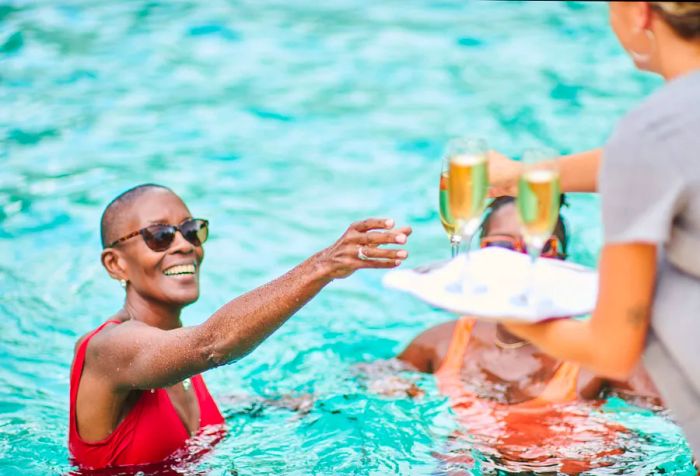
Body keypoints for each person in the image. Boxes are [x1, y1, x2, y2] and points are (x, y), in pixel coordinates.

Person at [69, 183, 412, 470]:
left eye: (192, 230)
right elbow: (212, 345)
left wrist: (347, 390)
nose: (184, 245)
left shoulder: (173, 351)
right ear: (115, 264)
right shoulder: (108, 350)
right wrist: (324, 265)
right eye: (159, 236)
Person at [485, 1, 700, 457]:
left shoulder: (653, 130)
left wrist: (505, 307)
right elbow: (656, 161)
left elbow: (612, 349)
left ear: (640, 13)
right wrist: (523, 175)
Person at [397, 196, 660, 473]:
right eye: (501, 246)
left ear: (563, 262)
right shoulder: (439, 345)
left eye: (541, 246)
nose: (522, 260)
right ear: (478, 257)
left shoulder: (598, 356)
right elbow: (364, 393)